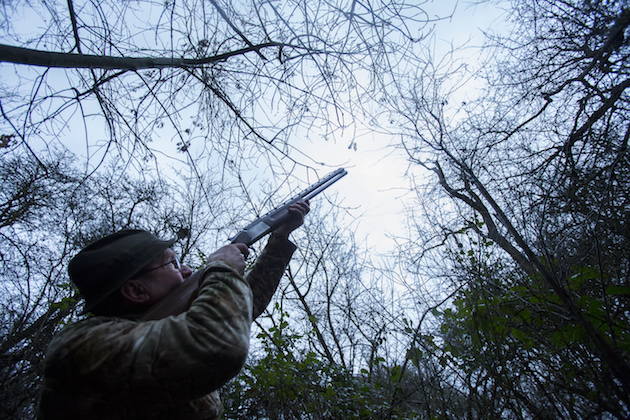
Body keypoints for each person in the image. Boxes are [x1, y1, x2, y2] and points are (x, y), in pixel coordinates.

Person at [38, 201, 310, 419]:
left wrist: (279, 237)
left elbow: (238, 311)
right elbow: (219, 342)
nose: (188, 270)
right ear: (136, 291)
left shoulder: (160, 327)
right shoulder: (80, 345)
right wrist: (222, 269)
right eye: (172, 263)